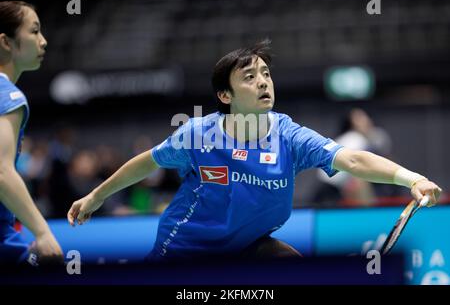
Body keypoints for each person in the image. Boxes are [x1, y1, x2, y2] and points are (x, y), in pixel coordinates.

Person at [67, 40, 442, 261]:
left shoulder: (289, 136)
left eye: (265, 73)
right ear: (225, 95)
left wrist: (412, 178)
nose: (263, 81)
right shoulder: (199, 134)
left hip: (248, 245)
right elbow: (145, 163)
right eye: (249, 77)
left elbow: (353, 158)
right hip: (184, 250)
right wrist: (96, 197)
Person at [0, 1, 63, 264]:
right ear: (6, 42)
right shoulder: (9, 96)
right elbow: (1, 172)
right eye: (34, 31)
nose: (44, 41)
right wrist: (42, 231)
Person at [315, 108, 393, 207]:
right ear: (351, 123)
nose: (365, 121)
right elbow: (357, 167)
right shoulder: (356, 139)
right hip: (329, 191)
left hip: (328, 188)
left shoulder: (352, 138)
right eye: (359, 119)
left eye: (364, 117)